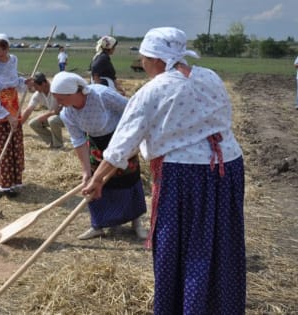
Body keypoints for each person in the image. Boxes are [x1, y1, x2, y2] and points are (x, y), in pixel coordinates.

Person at [82, 27, 246, 314]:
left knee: (186, 249)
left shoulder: (154, 89)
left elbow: (123, 142)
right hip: (228, 167)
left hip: (186, 177)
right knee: (220, 243)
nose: (143, 65)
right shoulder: (210, 76)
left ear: (156, 59)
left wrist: (97, 179)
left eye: (144, 59)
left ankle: (186, 307)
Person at [50, 71, 147, 240]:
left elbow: (132, 109)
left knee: (128, 179)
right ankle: (98, 225)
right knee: (93, 183)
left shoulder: (101, 95)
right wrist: (86, 171)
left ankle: (136, 222)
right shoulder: (67, 113)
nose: (58, 103)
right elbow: (78, 140)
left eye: (61, 98)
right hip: (96, 144)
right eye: (56, 98)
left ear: (76, 92)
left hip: (120, 140)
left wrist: (133, 139)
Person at [0, 33, 33, 198]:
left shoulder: (13, 60)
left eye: (3, 47)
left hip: (13, 107)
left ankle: (9, 184)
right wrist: (6, 115)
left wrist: (25, 82)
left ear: (7, 47)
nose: (0, 50)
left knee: (11, 147)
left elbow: (14, 81)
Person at [22, 72, 65, 148]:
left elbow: (57, 111)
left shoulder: (56, 89)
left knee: (52, 120)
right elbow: (28, 110)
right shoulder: (38, 94)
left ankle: (58, 145)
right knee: (32, 123)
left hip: (66, 116)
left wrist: (45, 116)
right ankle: (52, 141)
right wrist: (18, 125)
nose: (35, 88)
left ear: (44, 83)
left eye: (36, 86)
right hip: (54, 115)